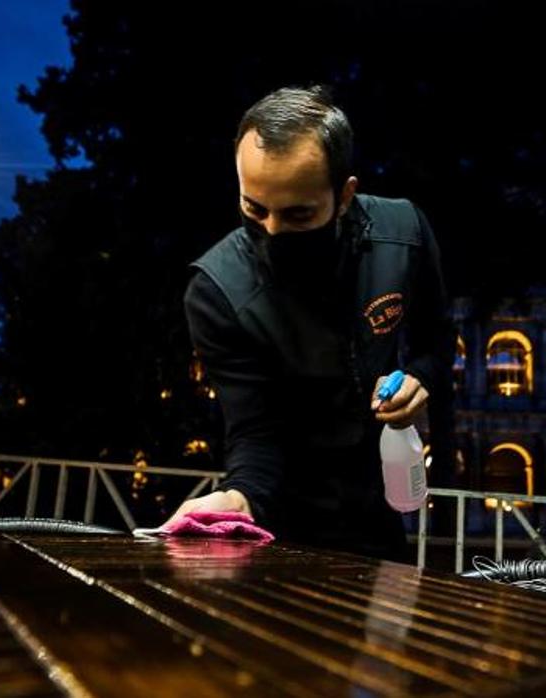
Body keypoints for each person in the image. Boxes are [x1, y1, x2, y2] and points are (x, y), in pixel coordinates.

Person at [161, 85, 455, 561]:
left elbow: (438, 341)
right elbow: (254, 432)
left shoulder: (405, 236)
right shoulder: (216, 291)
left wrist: (421, 377)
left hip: (375, 506)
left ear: (344, 196)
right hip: (277, 515)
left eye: (298, 214)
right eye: (254, 209)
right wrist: (238, 497)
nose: (272, 233)